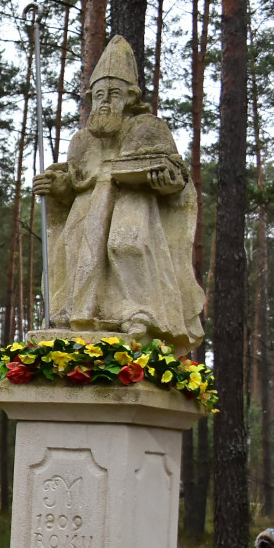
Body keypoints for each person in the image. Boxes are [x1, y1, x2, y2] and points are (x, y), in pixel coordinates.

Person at [33, 35, 204, 354]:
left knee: (126, 244)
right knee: (72, 248)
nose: (105, 102)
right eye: (99, 95)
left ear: (131, 96)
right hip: (86, 208)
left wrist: (162, 179)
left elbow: (175, 179)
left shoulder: (149, 128)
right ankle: (75, 314)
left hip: (132, 202)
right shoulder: (82, 141)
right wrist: (55, 187)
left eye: (114, 94)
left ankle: (139, 314)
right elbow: (73, 182)